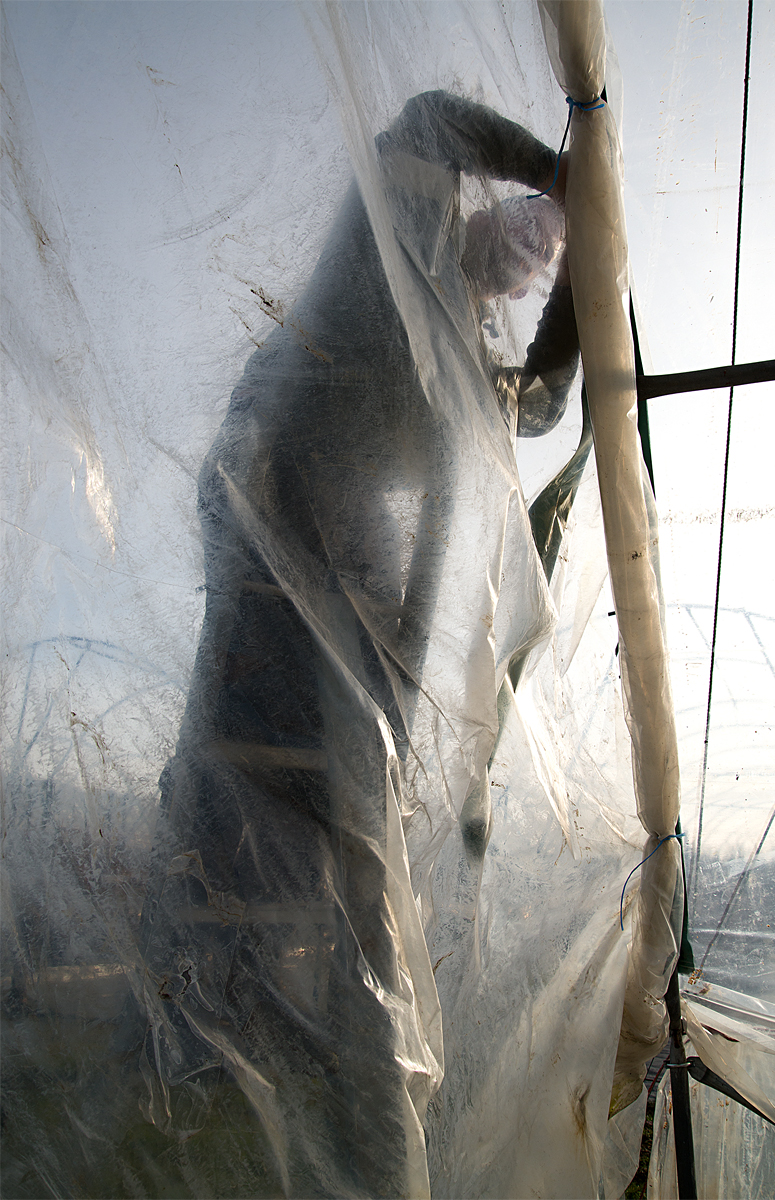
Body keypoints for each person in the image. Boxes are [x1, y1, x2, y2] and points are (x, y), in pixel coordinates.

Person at [140, 91, 580, 1198]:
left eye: (526, 269)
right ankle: (229, 1070)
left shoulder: (462, 370)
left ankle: (364, 1133)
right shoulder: (382, 263)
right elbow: (429, 121)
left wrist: (584, 254)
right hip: (267, 580)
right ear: (459, 221)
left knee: (357, 918)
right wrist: (559, 177)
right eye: (509, 237)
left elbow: (544, 401)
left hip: (325, 636)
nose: (513, 267)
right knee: (231, 869)